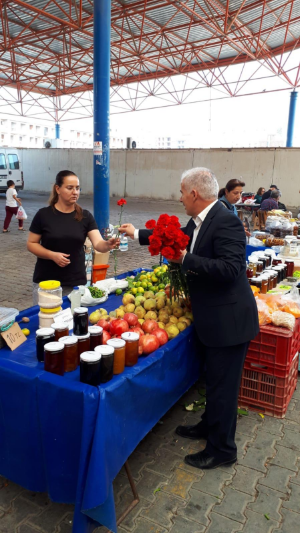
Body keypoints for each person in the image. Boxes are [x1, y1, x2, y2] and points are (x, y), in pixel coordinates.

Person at [120, 167, 259, 470]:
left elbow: (230, 269)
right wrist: (136, 234)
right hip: (213, 318)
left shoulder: (226, 221)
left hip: (229, 322)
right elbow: (179, 238)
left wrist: (185, 260)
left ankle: (223, 450)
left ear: (194, 194)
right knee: (214, 382)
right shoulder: (199, 221)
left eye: (182, 192)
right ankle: (209, 427)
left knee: (223, 388)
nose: (180, 197)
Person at [27, 170, 119, 301]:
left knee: (72, 319)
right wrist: (52, 255)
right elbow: (31, 244)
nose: (75, 192)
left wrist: (108, 244)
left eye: (77, 188)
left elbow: (98, 244)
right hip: (47, 282)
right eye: (70, 188)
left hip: (75, 282)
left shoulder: (85, 216)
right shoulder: (43, 215)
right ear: (58, 189)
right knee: (46, 320)